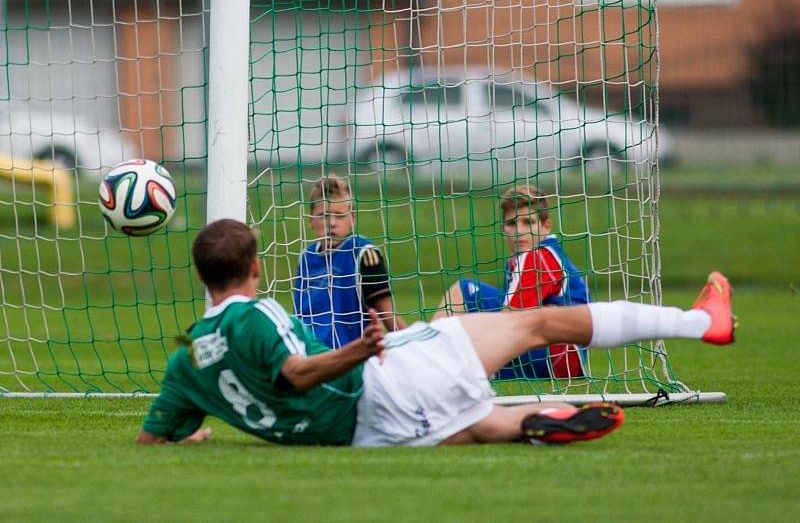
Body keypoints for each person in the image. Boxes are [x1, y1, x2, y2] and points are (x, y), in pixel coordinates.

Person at [137, 219, 735, 447]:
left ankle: (533, 420)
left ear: (199, 275)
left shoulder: (184, 361)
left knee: (474, 425)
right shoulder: (256, 314)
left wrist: (186, 440)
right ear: (255, 267)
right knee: (533, 323)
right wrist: (359, 349)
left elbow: (151, 441)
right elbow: (293, 375)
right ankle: (701, 322)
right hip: (379, 375)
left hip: (360, 436)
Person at [433, 184, 590, 380]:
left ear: (546, 225)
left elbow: (507, 322)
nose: (519, 231)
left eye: (528, 222)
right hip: (561, 361)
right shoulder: (546, 255)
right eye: (512, 223)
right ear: (503, 228)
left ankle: (430, 355)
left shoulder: (537, 259)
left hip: (553, 358)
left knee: (465, 289)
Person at [293, 175, 406, 349]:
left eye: (339, 216)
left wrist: (411, 349)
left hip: (352, 360)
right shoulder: (306, 258)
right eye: (323, 216)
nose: (331, 223)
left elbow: (388, 316)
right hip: (311, 359)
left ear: (352, 219)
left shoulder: (362, 253)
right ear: (310, 220)